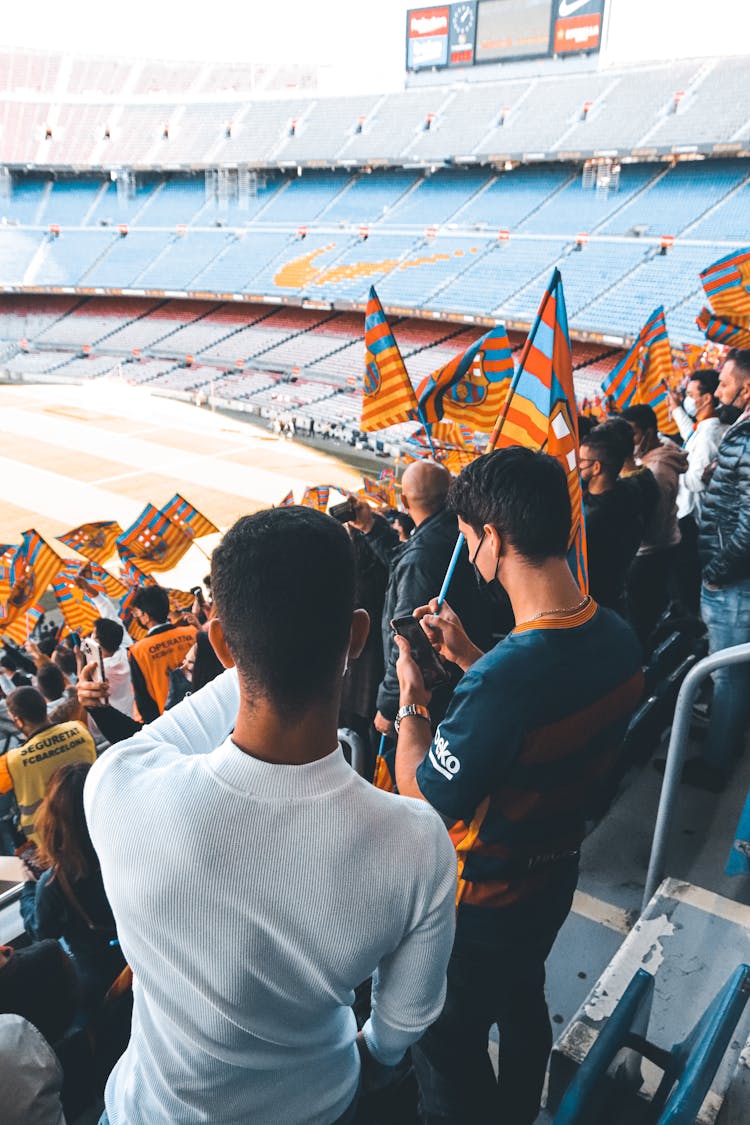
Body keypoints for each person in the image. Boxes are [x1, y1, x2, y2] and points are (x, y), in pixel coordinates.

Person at [85, 506, 456, 1125]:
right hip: (320, 1104)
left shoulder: (118, 787)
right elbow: (400, 1027)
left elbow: (148, 741)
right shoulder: (417, 843)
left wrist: (254, 654)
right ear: (358, 635)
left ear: (223, 643)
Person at [390, 449, 643, 1125]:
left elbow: (420, 796)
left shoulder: (505, 682)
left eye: (470, 537)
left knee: (446, 1048)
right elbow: (538, 707)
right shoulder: (618, 637)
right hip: (554, 877)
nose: (469, 548)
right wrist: (472, 656)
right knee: (524, 1002)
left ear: (493, 540)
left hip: (483, 909)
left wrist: (414, 699)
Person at [352, 460, 492, 735]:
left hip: (429, 700)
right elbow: (405, 558)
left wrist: (390, 704)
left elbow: (405, 637)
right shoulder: (454, 534)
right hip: (457, 685)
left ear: (403, 500)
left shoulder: (423, 556)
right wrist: (371, 528)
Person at [691, 350, 750, 790]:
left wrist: (717, 569)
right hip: (732, 575)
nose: (721, 389)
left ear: (746, 388)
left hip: (734, 580)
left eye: (726, 382)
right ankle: (720, 740)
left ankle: (715, 765)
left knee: (730, 676)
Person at [20, 762, 125, 1006]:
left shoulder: (54, 883)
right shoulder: (127, 851)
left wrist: (28, 889)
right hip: (143, 960)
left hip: (100, 977)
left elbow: (42, 932)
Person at [621, 404, 688, 644]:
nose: (628, 441)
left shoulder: (657, 469)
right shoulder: (660, 451)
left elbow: (653, 528)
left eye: (633, 434)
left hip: (651, 554)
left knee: (641, 620)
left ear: (649, 434)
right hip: (666, 543)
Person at [0, 688, 96, 847]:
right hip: (92, 822)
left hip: (51, 844)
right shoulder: (79, 729)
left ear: (18, 721)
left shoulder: (12, 762)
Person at [669, 369, 725, 613]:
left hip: (693, 520)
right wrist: (675, 410)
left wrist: (673, 463)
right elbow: (689, 437)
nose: (687, 399)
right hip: (691, 518)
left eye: (690, 394)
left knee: (687, 583)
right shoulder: (702, 429)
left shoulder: (709, 434)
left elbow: (696, 480)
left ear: (707, 398)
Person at [579, 425, 642, 614]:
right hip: (618, 591)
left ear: (596, 467)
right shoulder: (629, 491)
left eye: (581, 460)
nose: (578, 465)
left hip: (595, 599)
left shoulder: (593, 517)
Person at [126, 586, 197, 722]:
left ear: (146, 616)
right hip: (210, 706)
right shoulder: (193, 632)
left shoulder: (138, 651)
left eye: (138, 613)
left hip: (173, 721)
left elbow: (144, 701)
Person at [92, 618, 134, 719]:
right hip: (135, 712)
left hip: (116, 719)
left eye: (93, 634)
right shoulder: (128, 655)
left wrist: (80, 660)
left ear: (97, 642)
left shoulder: (98, 671)